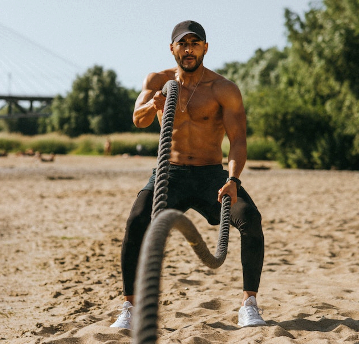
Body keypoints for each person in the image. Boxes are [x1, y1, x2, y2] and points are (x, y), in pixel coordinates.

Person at [110, 20, 266, 330]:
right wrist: (152, 104)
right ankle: (129, 306)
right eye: (182, 43)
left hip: (211, 176)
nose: (188, 48)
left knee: (251, 220)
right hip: (171, 174)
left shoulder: (224, 88)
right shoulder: (158, 80)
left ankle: (249, 304)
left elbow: (238, 141)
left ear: (205, 48)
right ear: (172, 49)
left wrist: (233, 180)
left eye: (195, 43)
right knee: (136, 222)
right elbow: (138, 119)